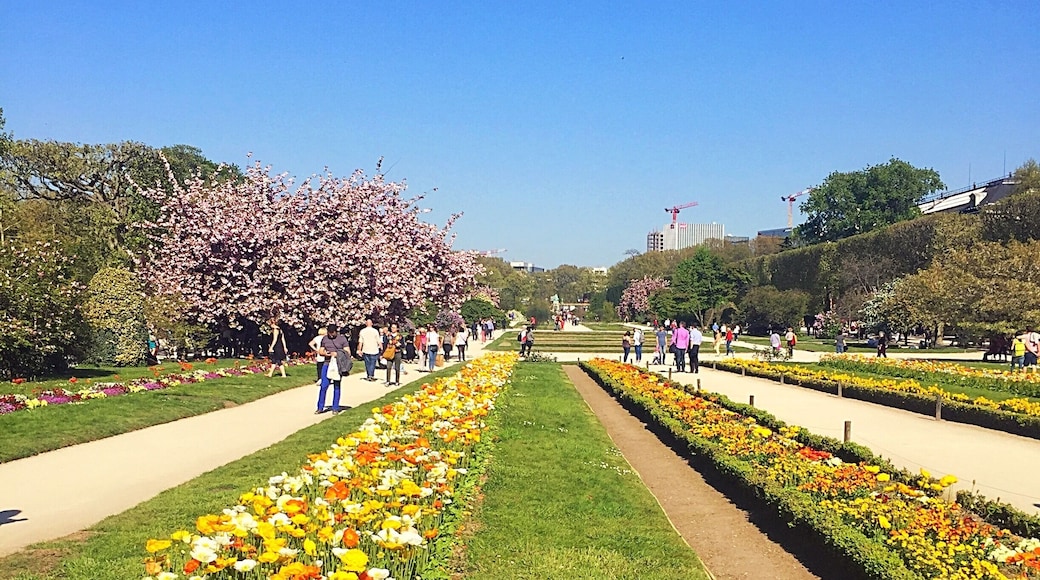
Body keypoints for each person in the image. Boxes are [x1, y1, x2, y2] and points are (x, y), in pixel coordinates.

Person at [317, 324, 350, 414]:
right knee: (324, 385)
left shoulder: (342, 339)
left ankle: (335, 408)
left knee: (336, 385)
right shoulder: (325, 339)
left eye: (333, 333)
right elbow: (320, 351)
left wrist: (337, 354)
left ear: (336, 331)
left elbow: (348, 352)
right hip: (327, 363)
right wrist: (325, 353)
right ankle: (320, 407)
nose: (331, 335)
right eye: (329, 333)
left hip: (338, 365)